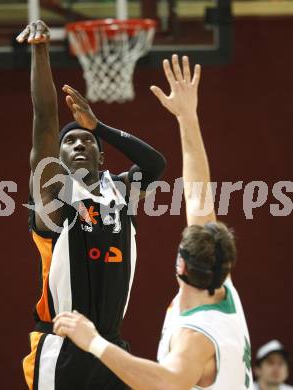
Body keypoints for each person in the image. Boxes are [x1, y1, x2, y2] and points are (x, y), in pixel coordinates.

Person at [53, 54, 254, 390]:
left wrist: (94, 342)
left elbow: (165, 383)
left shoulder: (195, 336)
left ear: (180, 264)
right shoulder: (223, 287)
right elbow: (197, 193)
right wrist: (187, 118)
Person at [16, 20, 166, 390]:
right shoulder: (53, 193)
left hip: (110, 346)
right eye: (70, 143)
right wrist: (40, 51)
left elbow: (154, 165)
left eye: (87, 142)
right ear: (58, 158)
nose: (79, 145)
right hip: (61, 346)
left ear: (102, 159)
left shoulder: (121, 192)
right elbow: (46, 119)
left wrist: (99, 127)